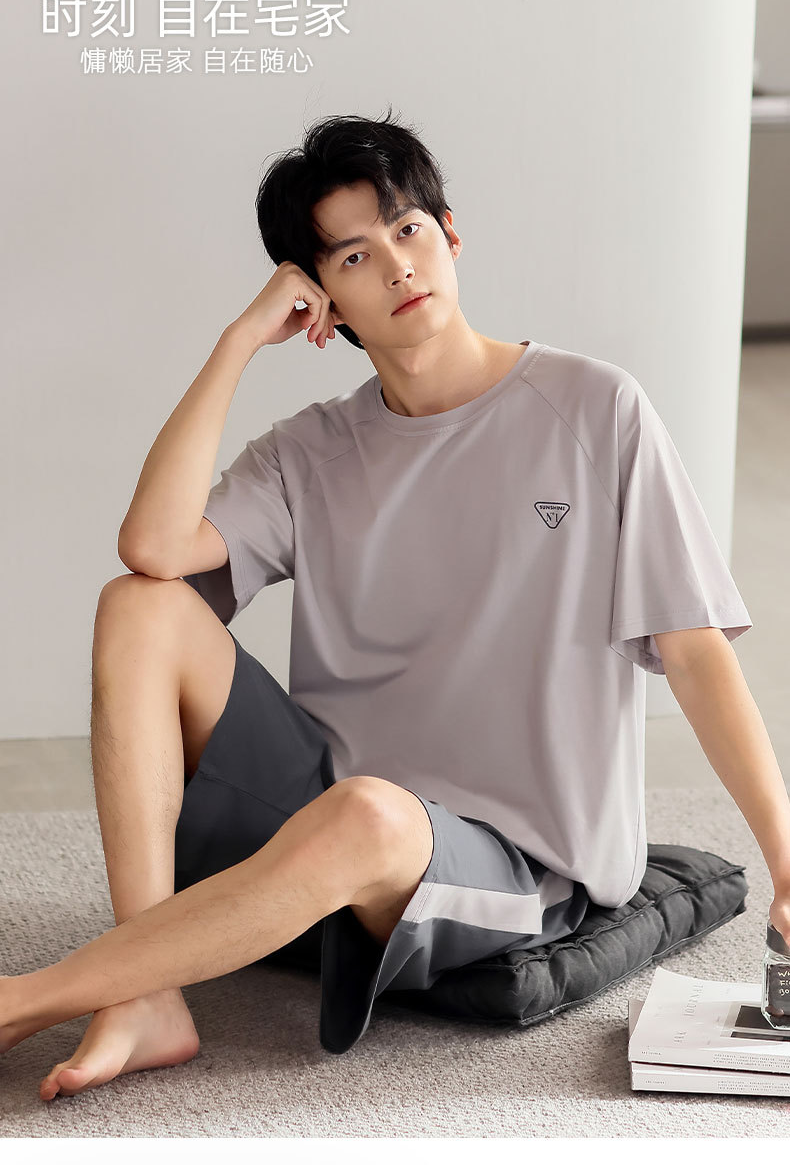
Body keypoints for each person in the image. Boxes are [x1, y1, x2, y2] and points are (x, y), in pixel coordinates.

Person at [0, 108, 753, 1101]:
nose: (397, 267)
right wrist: (237, 342)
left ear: (451, 233)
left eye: (407, 230)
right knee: (138, 605)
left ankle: (31, 997)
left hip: (515, 861)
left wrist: (789, 867)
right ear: (324, 303)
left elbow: (693, 649)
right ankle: (147, 996)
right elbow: (153, 549)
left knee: (365, 814)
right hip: (337, 803)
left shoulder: (595, 408)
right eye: (355, 256)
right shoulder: (313, 449)